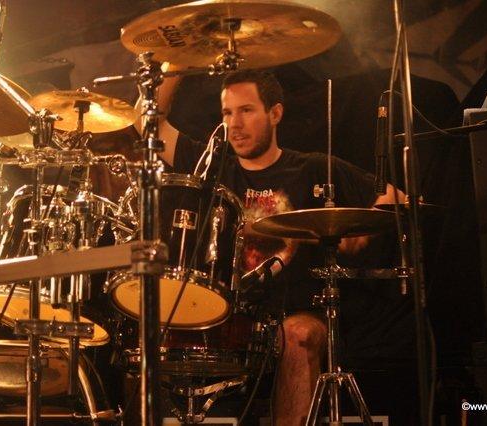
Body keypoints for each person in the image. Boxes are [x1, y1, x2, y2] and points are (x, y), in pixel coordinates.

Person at [147, 68, 402, 425]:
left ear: (275, 113)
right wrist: (173, 65)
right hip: (230, 313)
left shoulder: (313, 168)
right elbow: (150, 126)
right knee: (146, 329)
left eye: (246, 110)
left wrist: (362, 229)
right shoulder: (211, 166)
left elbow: (398, 197)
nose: (235, 124)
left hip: (302, 312)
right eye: (227, 112)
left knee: (298, 335)